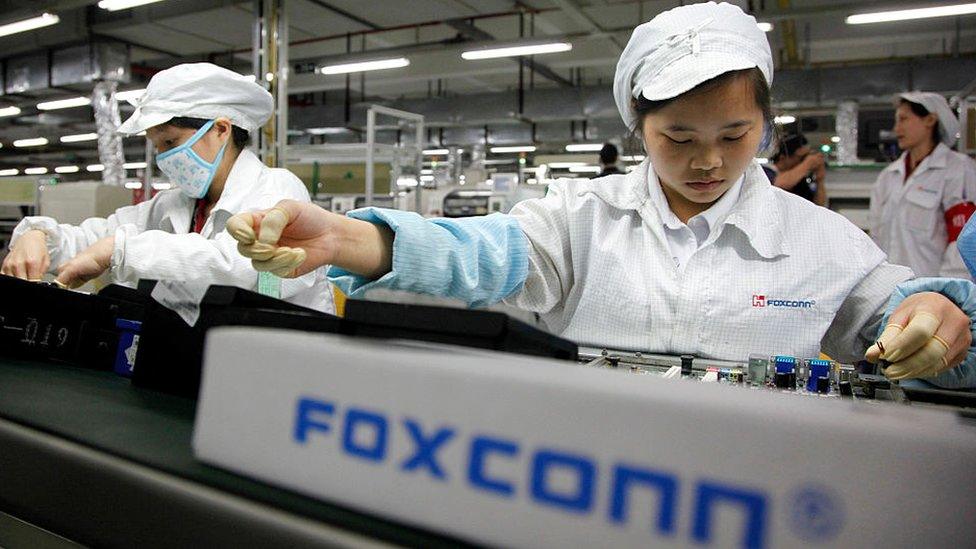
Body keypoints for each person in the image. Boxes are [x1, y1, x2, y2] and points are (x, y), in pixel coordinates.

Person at [228, 3, 975, 388]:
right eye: (678, 137)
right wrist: (350, 239)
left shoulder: (824, 242)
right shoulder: (584, 219)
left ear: (765, 124)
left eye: (735, 134)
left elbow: (901, 314)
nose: (708, 160)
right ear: (637, 125)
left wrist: (942, 317)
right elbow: (484, 254)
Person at [1, 63, 333, 313]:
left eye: (170, 142)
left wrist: (122, 250)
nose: (164, 157)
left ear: (220, 129)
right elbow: (99, 237)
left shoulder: (277, 189)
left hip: (277, 365)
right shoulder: (173, 205)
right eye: (157, 146)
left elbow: (250, 271)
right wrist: (39, 236)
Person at [869, 92, 976, 281]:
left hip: (932, 294)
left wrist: (945, 290)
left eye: (903, 119)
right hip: (890, 291)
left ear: (930, 120)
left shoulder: (958, 169)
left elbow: (961, 241)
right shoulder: (888, 176)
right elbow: (876, 238)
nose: (896, 128)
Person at [762, 132, 827, 206]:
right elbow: (778, 184)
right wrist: (807, 163)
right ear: (783, 157)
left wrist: (819, 180)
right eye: (801, 158)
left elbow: (819, 206)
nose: (803, 161)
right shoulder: (765, 171)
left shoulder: (799, 181)